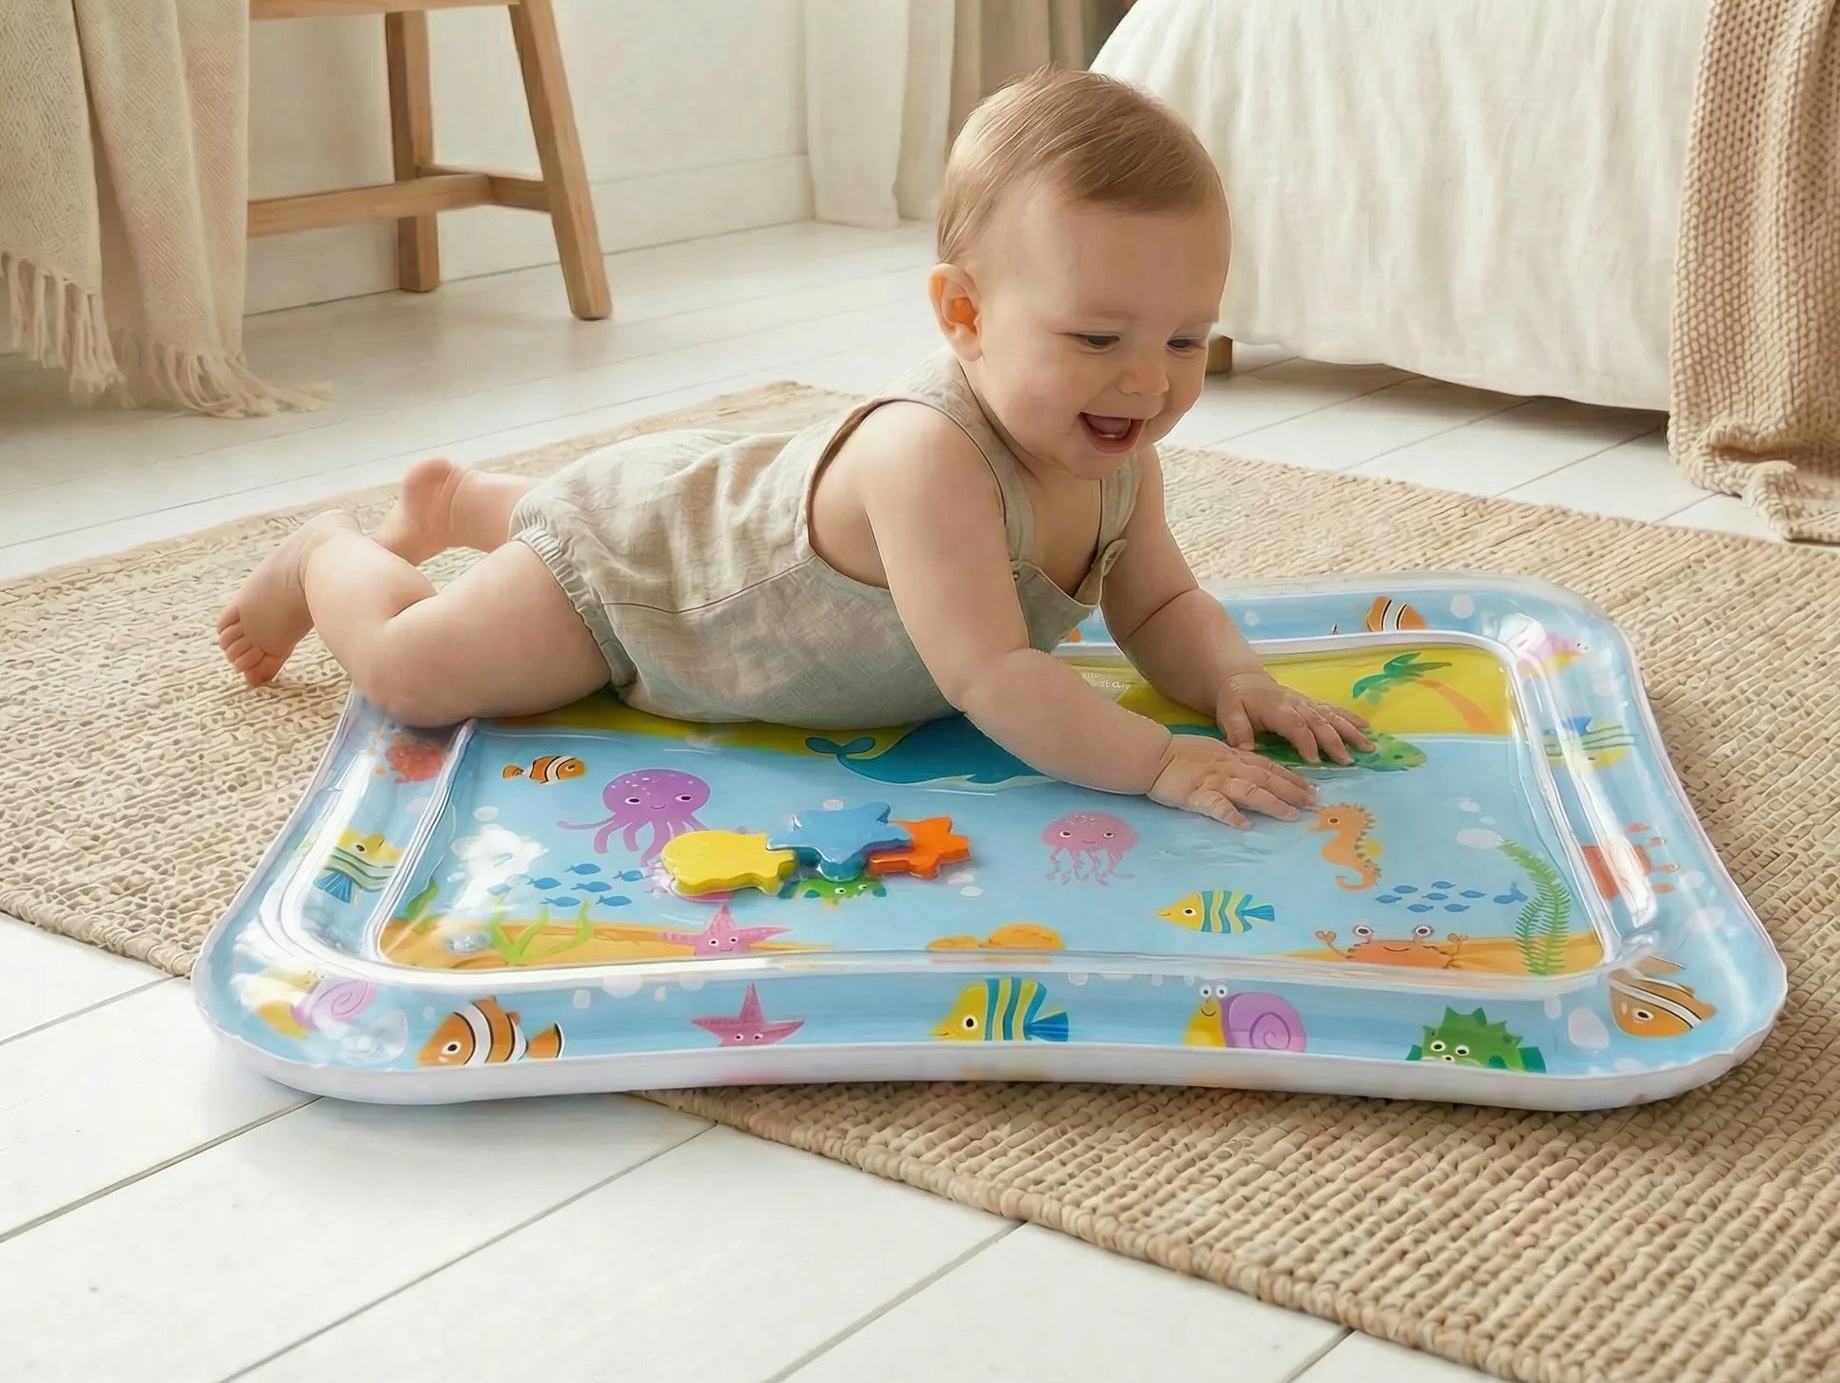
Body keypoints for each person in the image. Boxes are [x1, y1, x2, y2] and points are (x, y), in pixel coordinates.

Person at [217, 66, 1372, 825]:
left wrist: (1232, 678)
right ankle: (323, 555)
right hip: (641, 586)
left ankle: (469, 499)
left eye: (1185, 337)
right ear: (962, 317)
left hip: (718, 516)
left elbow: (1159, 607)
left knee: (644, 520)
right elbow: (993, 676)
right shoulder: (932, 460)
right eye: (1095, 335)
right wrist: (1157, 762)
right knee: (418, 675)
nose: (1148, 377)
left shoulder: (1118, 453)